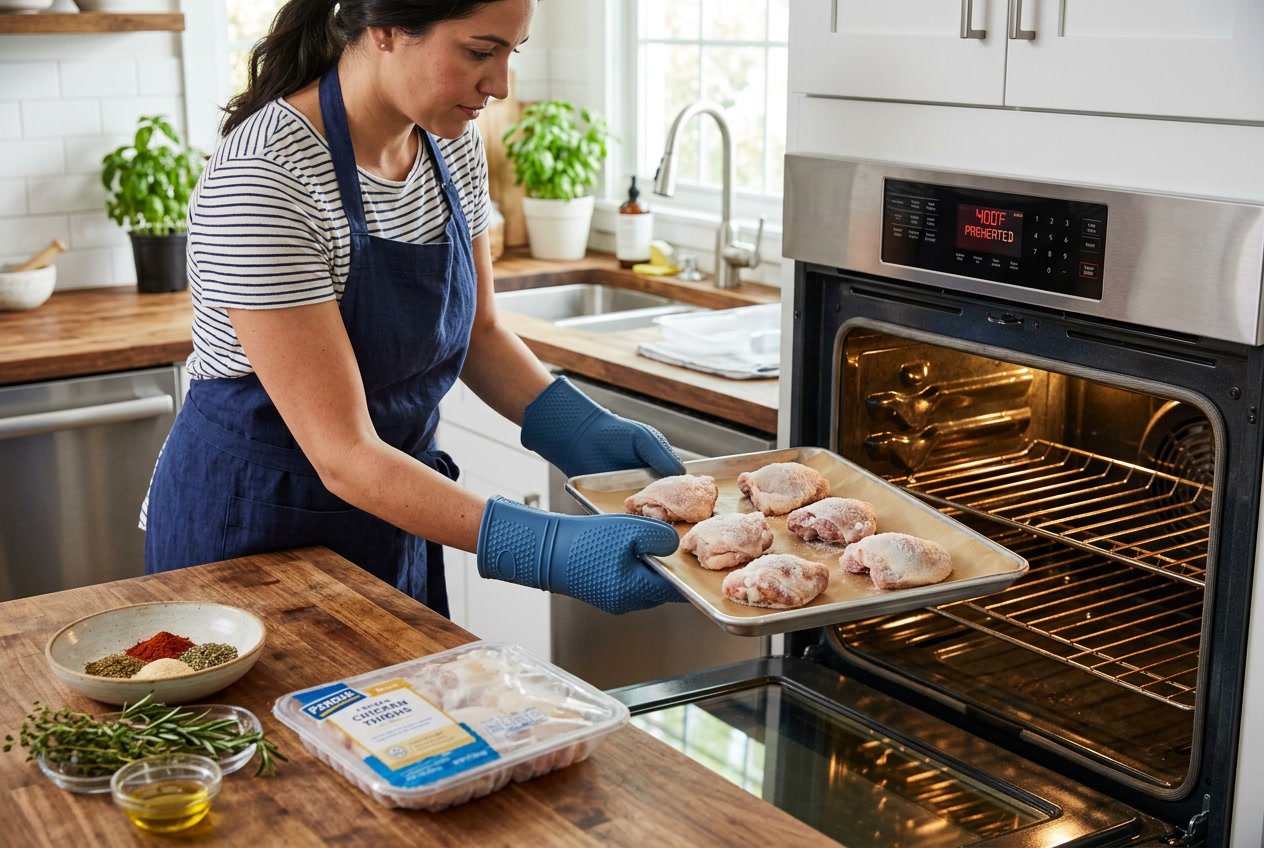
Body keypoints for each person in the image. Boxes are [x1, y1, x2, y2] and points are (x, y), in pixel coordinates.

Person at [141, 0, 684, 618]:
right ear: (386, 30)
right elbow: (342, 451)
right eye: (480, 52)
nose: (501, 86)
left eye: (512, 52)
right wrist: (545, 547)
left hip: (391, 505)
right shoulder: (267, 176)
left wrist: (582, 429)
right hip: (255, 535)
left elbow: (479, 331)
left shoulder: (450, 144)